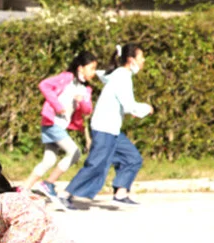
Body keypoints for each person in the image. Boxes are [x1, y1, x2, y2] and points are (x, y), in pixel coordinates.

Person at [61, 43, 153, 209]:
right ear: (131, 60)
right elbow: (129, 106)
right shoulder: (122, 77)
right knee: (96, 164)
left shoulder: (118, 74)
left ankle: (121, 193)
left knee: (132, 158)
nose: (143, 61)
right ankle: (66, 194)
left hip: (112, 129)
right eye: (141, 57)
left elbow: (104, 76)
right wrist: (146, 108)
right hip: (104, 128)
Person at [22, 52, 98, 210]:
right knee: (75, 152)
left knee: (49, 160)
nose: (94, 72)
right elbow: (44, 85)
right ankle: (48, 184)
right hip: (52, 122)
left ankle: (22, 190)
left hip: (61, 126)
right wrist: (58, 106)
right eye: (91, 68)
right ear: (81, 68)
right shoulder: (66, 78)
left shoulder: (86, 89)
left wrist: (81, 101)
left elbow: (87, 110)